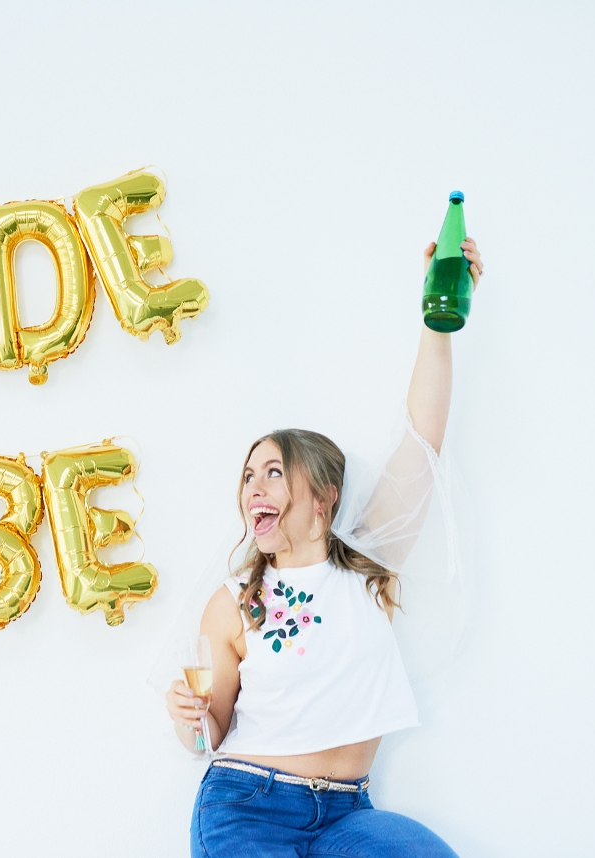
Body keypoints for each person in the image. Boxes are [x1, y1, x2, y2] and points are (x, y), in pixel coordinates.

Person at [168, 238, 484, 857]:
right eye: (248, 475)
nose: (254, 487)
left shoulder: (369, 570)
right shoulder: (235, 602)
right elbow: (209, 738)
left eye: (275, 472)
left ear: (325, 497)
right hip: (245, 807)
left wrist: (436, 323)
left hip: (349, 813)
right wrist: (192, 719)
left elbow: (423, 436)